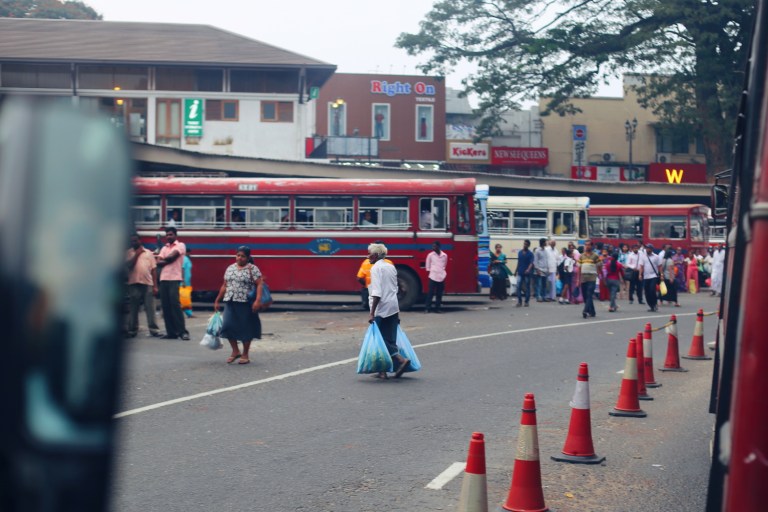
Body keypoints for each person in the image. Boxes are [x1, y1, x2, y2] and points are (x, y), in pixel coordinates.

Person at [213, 246, 264, 364]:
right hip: (230, 301)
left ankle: (245, 354)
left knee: (246, 329)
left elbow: (260, 284)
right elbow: (224, 285)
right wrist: (217, 300)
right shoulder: (230, 268)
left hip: (245, 303)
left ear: (248, 257)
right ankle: (235, 351)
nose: (239, 258)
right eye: (238, 255)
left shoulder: (253, 269)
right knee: (227, 326)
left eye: (243, 256)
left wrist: (258, 300)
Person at [367, 242, 410, 379]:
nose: (368, 257)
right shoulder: (391, 267)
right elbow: (395, 288)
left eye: (370, 254)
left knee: (379, 339)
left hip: (382, 308)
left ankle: (400, 360)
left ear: (375, 255)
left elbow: (377, 292)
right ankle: (382, 370)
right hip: (393, 306)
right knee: (390, 338)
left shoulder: (376, 269)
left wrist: (372, 312)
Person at [155, 227, 189, 340]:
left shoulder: (180, 245)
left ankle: (183, 332)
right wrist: (165, 260)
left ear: (175, 235)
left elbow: (171, 258)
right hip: (164, 278)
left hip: (174, 278)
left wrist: (164, 260)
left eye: (170, 234)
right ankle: (171, 332)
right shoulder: (164, 247)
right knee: (166, 306)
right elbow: (158, 262)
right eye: (167, 235)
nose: (168, 236)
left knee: (175, 305)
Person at [125, 233, 161, 338]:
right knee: (133, 308)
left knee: (150, 308)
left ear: (140, 241)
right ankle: (132, 330)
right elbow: (129, 265)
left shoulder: (148, 253)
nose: (134, 242)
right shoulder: (128, 253)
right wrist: (137, 254)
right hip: (134, 283)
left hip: (147, 284)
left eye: (136, 240)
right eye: (132, 241)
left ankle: (154, 330)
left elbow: (154, 270)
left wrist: (155, 286)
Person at [356, 242, 392, 310]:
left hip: (370, 292)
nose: (368, 256)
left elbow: (359, 278)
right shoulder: (389, 263)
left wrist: (366, 285)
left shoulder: (366, 262)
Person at [576, 240, 601, 318]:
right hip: (583, 277)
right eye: (586, 245)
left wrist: (598, 274)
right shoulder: (581, 256)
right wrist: (578, 279)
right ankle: (592, 311)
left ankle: (585, 310)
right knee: (585, 296)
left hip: (592, 277)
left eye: (589, 245)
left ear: (591, 246)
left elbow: (599, 266)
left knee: (589, 293)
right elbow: (579, 268)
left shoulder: (595, 256)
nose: (587, 246)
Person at [424, 241, 448, 313]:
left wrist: (442, 272)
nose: (433, 248)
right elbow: (427, 266)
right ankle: (427, 308)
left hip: (441, 276)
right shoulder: (430, 255)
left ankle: (437, 308)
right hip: (433, 276)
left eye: (434, 246)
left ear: (438, 247)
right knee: (430, 293)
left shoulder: (444, 255)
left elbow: (444, 265)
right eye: (432, 246)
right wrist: (431, 272)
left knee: (439, 293)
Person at [639, 243, 662, 312]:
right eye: (646, 248)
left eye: (649, 248)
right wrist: (640, 274)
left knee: (652, 290)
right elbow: (641, 266)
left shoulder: (656, 257)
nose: (647, 249)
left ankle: (655, 304)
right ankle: (651, 305)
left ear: (652, 249)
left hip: (653, 276)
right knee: (647, 292)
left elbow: (660, 266)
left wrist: (662, 275)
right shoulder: (643, 257)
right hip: (646, 276)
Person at [515, 239, 535, 307]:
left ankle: (526, 301)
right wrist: (516, 271)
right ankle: (519, 301)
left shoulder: (530, 254)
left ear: (528, 245)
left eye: (526, 244)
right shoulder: (520, 252)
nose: (525, 245)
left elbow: (531, 263)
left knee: (527, 287)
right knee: (518, 287)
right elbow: (519, 262)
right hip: (520, 272)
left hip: (527, 273)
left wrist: (528, 269)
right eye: (524, 244)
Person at [534, 238, 549, 302]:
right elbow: (535, 261)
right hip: (539, 270)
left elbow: (546, 260)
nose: (546, 243)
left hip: (545, 270)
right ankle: (538, 297)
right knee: (539, 284)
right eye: (545, 242)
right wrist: (537, 270)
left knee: (544, 285)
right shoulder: (537, 251)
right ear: (543, 243)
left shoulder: (545, 250)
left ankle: (544, 296)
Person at [181, 248, 193, 318]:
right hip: (185, 282)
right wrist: (183, 280)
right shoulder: (184, 259)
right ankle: (189, 313)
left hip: (187, 281)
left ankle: (189, 313)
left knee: (186, 297)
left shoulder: (185, 259)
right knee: (185, 298)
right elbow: (182, 269)